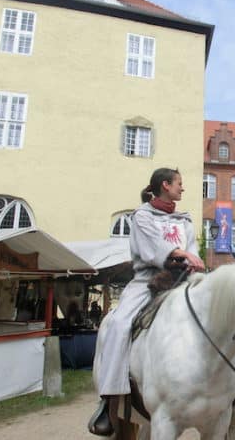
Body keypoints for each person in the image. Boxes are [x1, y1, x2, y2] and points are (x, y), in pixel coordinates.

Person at [88, 168, 205, 436]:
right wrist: (180, 252)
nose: (182, 189)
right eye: (179, 184)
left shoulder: (184, 219)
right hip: (146, 281)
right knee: (118, 324)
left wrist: (191, 260)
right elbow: (152, 248)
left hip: (183, 279)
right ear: (165, 185)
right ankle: (109, 400)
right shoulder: (142, 216)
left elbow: (193, 251)